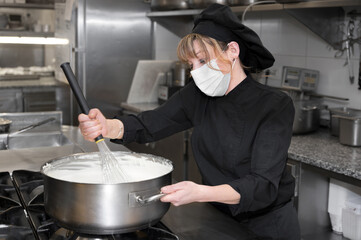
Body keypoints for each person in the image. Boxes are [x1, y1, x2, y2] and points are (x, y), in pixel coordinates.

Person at [78, 3, 300, 239]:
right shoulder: (198, 95)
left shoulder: (274, 105)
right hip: (218, 216)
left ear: (232, 51)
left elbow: (262, 185)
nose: (196, 72)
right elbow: (150, 123)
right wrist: (107, 126)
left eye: (203, 61)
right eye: (191, 65)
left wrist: (200, 193)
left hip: (267, 225)